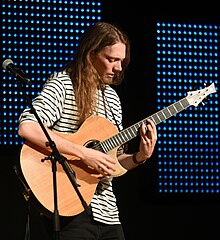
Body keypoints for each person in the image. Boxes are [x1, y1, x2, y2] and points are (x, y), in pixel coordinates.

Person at [18, 21, 157, 240]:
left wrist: (140, 157)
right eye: (111, 59)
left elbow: (112, 164)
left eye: (121, 61)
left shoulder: (112, 97)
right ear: (91, 54)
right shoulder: (63, 84)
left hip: (108, 213)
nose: (119, 68)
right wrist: (83, 153)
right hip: (70, 207)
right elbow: (28, 127)